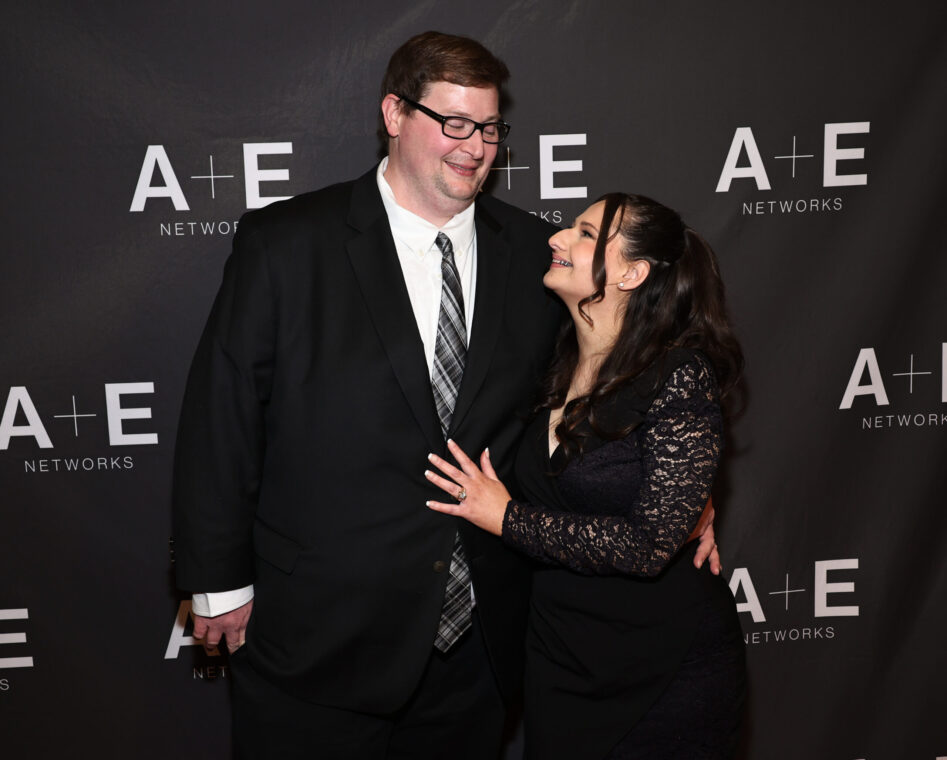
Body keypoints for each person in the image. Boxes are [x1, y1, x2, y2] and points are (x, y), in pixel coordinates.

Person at [172, 31, 719, 760]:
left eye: (489, 128)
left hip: (481, 641)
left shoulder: (537, 253)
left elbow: (612, 382)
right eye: (453, 123)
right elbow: (222, 415)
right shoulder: (287, 242)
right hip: (319, 635)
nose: (474, 146)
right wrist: (215, 581)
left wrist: (681, 492)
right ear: (395, 114)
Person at [425, 193, 746, 759]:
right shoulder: (550, 364)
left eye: (585, 233)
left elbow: (649, 546)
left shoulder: (677, 374)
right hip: (559, 662)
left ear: (631, 272)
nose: (557, 239)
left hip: (662, 669)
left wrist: (505, 517)